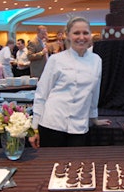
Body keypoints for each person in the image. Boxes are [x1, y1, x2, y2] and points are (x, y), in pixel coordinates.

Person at [29, 16, 111, 148]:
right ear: (68, 35)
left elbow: (94, 93)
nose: (81, 37)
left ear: (90, 35)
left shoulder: (97, 60)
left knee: (76, 166)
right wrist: (34, 127)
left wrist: (94, 119)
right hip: (52, 123)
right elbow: (41, 94)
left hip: (80, 125)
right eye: (76, 33)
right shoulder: (56, 59)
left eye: (85, 33)